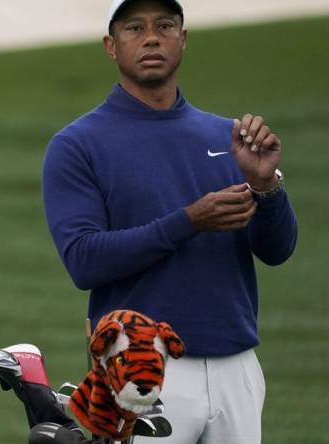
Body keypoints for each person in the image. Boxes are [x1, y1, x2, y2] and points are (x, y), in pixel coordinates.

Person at [42, 0, 298, 443]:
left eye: (165, 25)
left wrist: (265, 186)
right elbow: (84, 261)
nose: (152, 37)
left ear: (184, 39)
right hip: (141, 368)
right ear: (111, 45)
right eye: (134, 28)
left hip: (237, 366)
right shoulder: (78, 145)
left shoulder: (228, 137)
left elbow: (277, 251)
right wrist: (189, 221)